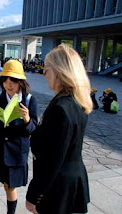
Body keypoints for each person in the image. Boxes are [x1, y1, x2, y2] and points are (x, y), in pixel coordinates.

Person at [26, 44, 92, 214]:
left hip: (57, 187)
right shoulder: (78, 102)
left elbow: (51, 160)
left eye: (46, 69)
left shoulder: (60, 108)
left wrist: (34, 194)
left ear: (58, 71)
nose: (43, 73)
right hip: (73, 180)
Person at [0, 59, 38, 214]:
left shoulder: (29, 100)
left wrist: (27, 120)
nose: (9, 84)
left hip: (15, 151)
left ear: (20, 81)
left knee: (9, 186)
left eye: (13, 80)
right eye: (5, 80)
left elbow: (33, 127)